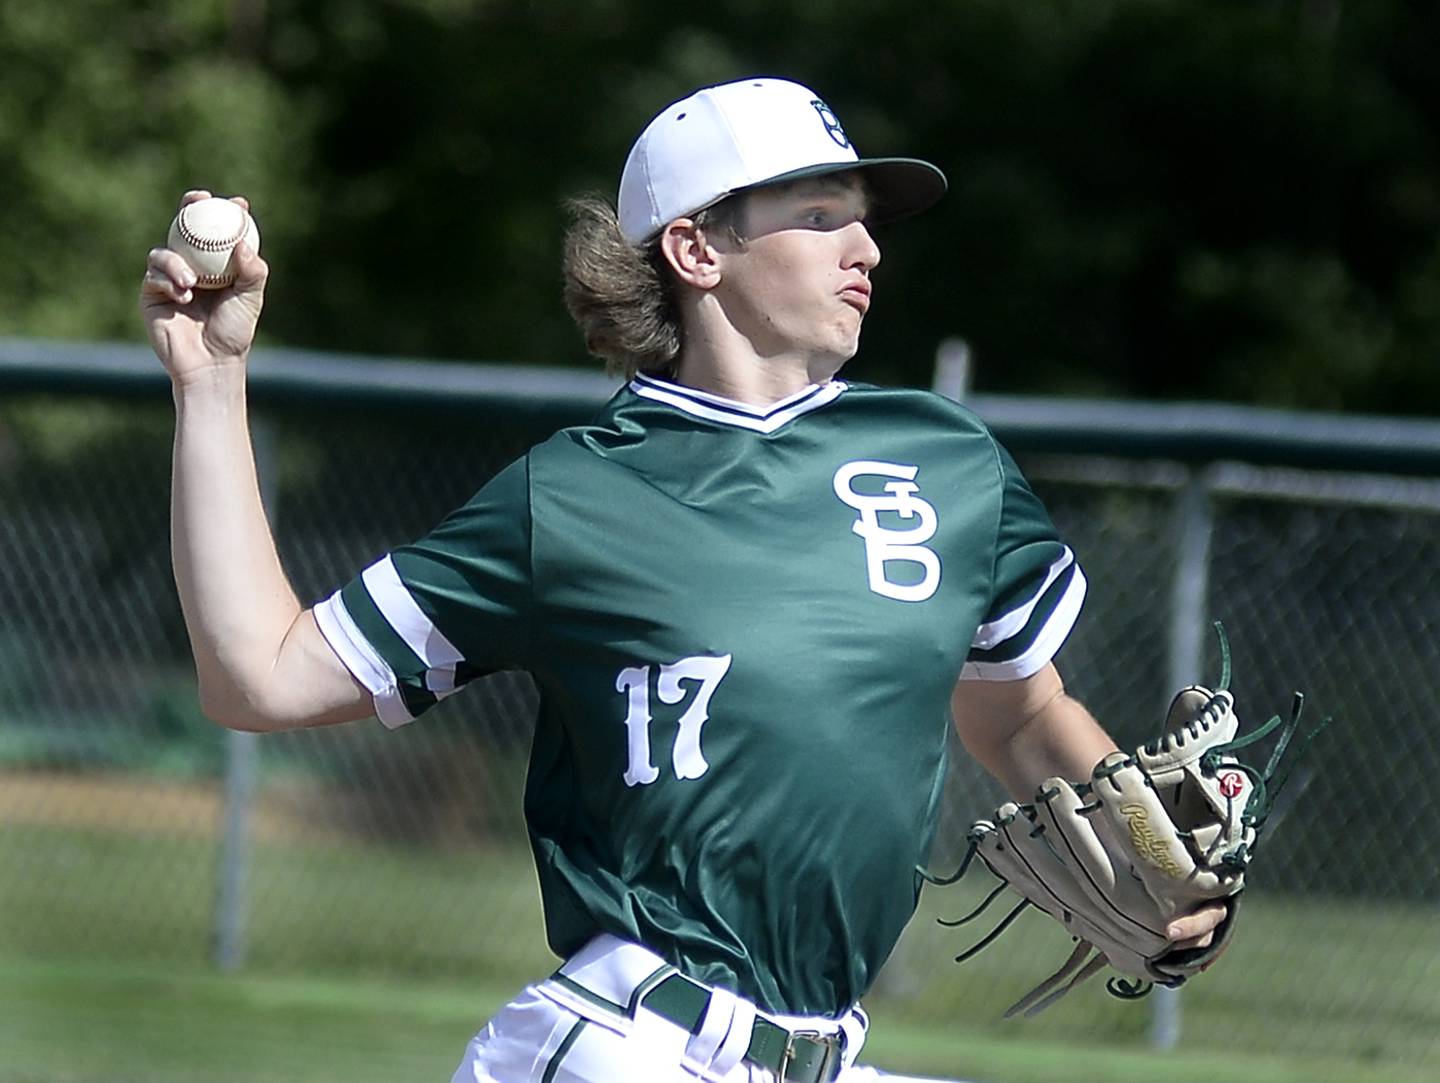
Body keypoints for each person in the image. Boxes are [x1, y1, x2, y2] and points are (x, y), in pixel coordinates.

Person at [141, 76, 1224, 1083]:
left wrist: (1155, 862)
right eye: (817, 215)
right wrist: (212, 379)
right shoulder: (571, 497)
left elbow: (1024, 707)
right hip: (631, 1045)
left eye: (865, 220)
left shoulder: (946, 463)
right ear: (698, 249)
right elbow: (263, 678)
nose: (866, 249)